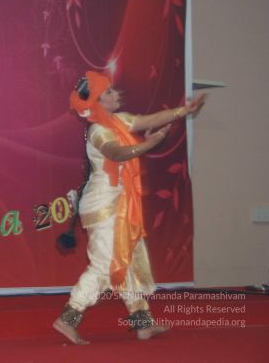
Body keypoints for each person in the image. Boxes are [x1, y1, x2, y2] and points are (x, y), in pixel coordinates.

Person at [53, 70, 206, 344]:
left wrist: (185, 110)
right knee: (105, 266)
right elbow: (117, 153)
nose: (115, 94)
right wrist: (149, 144)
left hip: (120, 202)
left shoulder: (118, 121)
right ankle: (68, 317)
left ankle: (142, 323)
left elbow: (149, 120)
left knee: (129, 259)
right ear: (97, 102)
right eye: (108, 92)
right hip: (103, 204)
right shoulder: (98, 131)